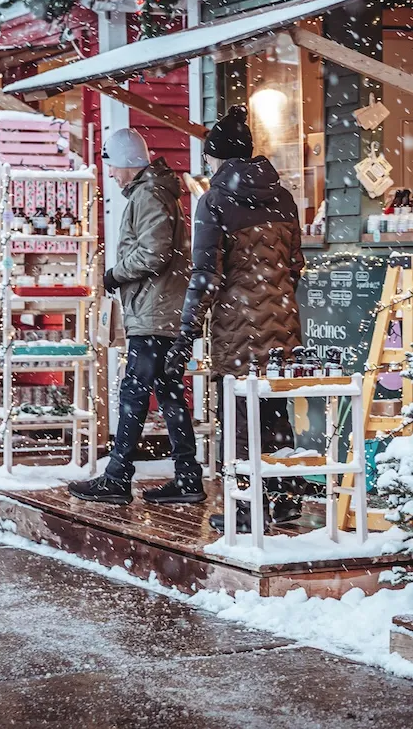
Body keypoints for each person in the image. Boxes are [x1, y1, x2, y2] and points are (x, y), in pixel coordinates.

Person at [164, 105, 307, 533]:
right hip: (283, 321)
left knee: (239, 416)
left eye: (208, 156)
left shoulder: (215, 203)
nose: (204, 163)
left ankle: (245, 509)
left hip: (238, 326)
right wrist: (274, 298)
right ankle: (283, 501)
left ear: (218, 157)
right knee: (276, 411)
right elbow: (295, 263)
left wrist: (186, 332)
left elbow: (206, 278)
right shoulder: (282, 198)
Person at [68, 129, 201, 506]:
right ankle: (188, 477)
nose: (109, 173)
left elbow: (154, 254)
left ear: (127, 163)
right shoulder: (157, 192)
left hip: (154, 312)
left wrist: (114, 274)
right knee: (169, 394)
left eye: (111, 165)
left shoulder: (148, 195)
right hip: (163, 309)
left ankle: (117, 476)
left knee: (135, 392)